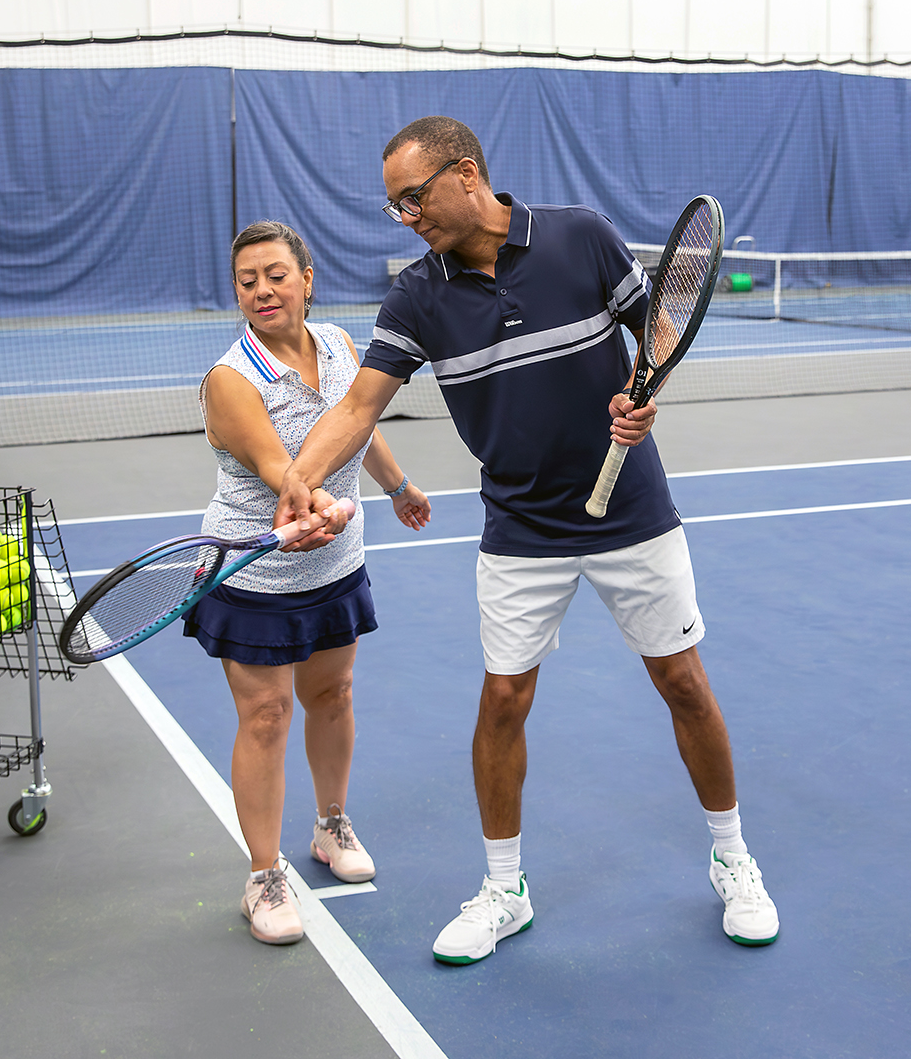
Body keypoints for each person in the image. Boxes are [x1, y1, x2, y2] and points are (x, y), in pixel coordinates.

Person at [273, 117, 779, 964]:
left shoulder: (581, 237)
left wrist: (643, 390)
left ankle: (734, 860)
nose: (407, 218)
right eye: (395, 206)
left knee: (684, 683)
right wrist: (302, 478)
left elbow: (656, 332)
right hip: (519, 528)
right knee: (503, 701)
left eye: (414, 198)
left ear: (467, 174)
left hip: (631, 514)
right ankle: (504, 890)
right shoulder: (417, 297)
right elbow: (358, 406)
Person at [191, 220, 432, 946]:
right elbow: (281, 470)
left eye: (275, 275)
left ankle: (331, 826)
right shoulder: (231, 381)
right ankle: (264, 876)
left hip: (333, 563)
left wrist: (396, 485)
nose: (262, 290)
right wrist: (318, 502)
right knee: (266, 717)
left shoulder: (337, 344)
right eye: (247, 281)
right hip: (254, 572)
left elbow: (357, 423)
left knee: (333, 694)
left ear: (307, 278)